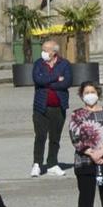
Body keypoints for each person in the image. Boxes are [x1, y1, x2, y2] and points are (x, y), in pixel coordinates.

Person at [30, 40, 73, 176]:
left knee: (55, 137)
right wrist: (55, 77)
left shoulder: (64, 64)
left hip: (58, 107)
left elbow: (67, 82)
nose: (43, 52)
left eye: (46, 49)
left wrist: (48, 83)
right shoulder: (38, 64)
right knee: (40, 136)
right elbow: (38, 80)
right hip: (41, 107)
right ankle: (37, 164)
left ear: (54, 52)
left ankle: (52, 163)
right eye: (43, 49)